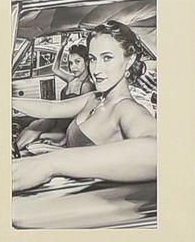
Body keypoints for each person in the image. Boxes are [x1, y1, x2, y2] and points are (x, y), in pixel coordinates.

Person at [12, 18, 158, 209]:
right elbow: (50, 108)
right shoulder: (94, 98)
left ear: (129, 61)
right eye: (92, 59)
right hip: (63, 189)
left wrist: (50, 163)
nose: (96, 69)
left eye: (107, 58)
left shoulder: (127, 109)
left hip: (83, 202)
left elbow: (158, 152)